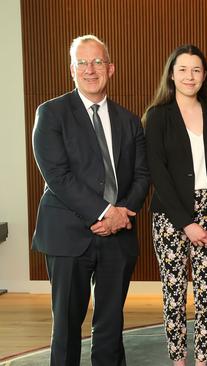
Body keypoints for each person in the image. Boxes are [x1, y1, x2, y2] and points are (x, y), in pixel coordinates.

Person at [31, 34, 149, 365]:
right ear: (72, 70)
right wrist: (104, 213)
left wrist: (120, 217)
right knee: (67, 327)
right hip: (68, 236)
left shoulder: (129, 120)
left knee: (111, 325)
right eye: (82, 62)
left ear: (111, 68)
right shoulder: (51, 113)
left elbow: (142, 176)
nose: (90, 69)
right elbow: (57, 177)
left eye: (97, 61)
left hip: (118, 237)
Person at [144, 44, 207, 365]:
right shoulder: (157, 117)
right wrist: (187, 223)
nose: (189, 76)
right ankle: (179, 361)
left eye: (196, 70)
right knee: (174, 294)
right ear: (171, 74)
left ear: (205, 75)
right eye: (182, 69)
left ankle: (202, 361)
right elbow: (159, 174)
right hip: (171, 216)